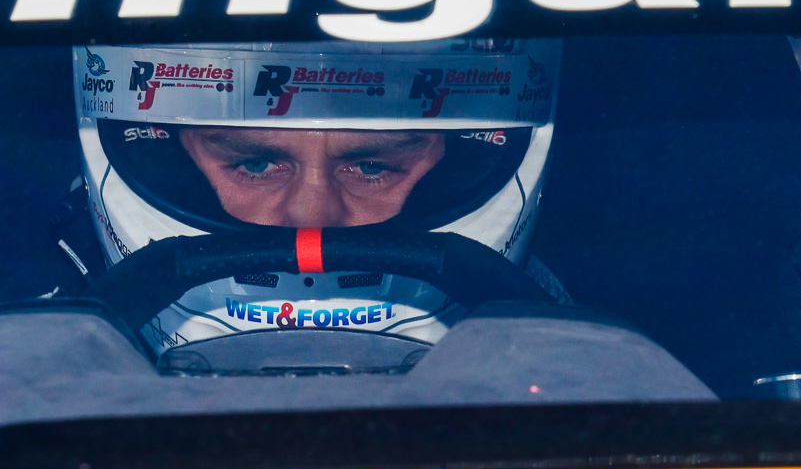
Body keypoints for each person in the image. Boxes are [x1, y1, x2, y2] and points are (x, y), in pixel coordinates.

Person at [74, 39, 560, 355]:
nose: (312, 217)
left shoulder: (597, 373)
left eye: (371, 167)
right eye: (255, 164)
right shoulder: (30, 361)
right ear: (164, 154)